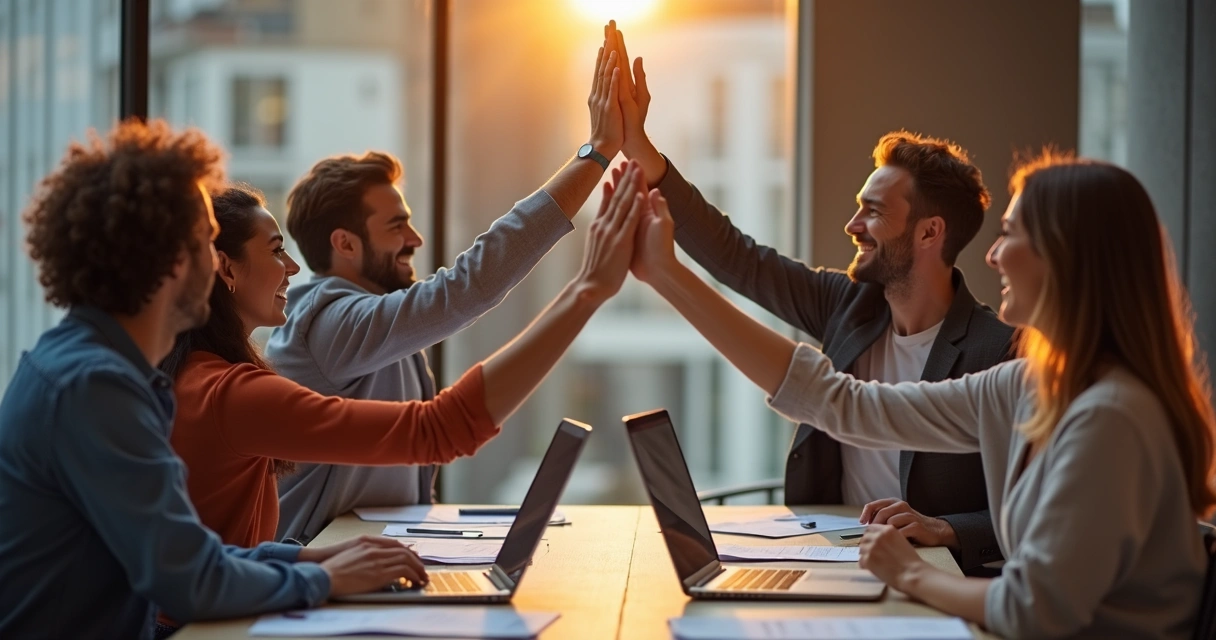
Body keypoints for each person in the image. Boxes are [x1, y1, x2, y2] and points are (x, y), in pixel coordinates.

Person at [629, 152, 1215, 638]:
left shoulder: (1109, 418)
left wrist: (909, 573)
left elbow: (1032, 610)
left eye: (1010, 234)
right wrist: (669, 277)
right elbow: (847, 406)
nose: (990, 254)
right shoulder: (1029, 384)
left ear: (1066, 256)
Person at [600, 22, 1013, 573]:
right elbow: (739, 258)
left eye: (873, 212)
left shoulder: (999, 351)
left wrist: (946, 529)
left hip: (923, 575)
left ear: (929, 233)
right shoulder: (848, 305)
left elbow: (1031, 514)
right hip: (825, 557)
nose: (852, 224)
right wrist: (644, 156)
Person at [0, 119, 426, 640]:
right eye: (207, 242)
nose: (216, 261)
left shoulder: (94, 368)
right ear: (171, 258)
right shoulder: (95, 388)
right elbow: (189, 581)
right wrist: (322, 576)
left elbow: (184, 550)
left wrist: (304, 561)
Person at [162, 157, 646, 551]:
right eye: (397, 226)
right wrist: (595, 162)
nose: (291, 267)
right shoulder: (324, 327)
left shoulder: (220, 373)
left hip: (311, 567)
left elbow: (223, 558)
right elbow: (462, 304)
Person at [267, 45, 628, 542]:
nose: (415, 240)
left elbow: (408, 492)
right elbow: (467, 289)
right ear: (344, 244)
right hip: (315, 583)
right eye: (397, 227)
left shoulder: (383, 330)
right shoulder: (328, 325)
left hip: (378, 566)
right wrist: (597, 152)